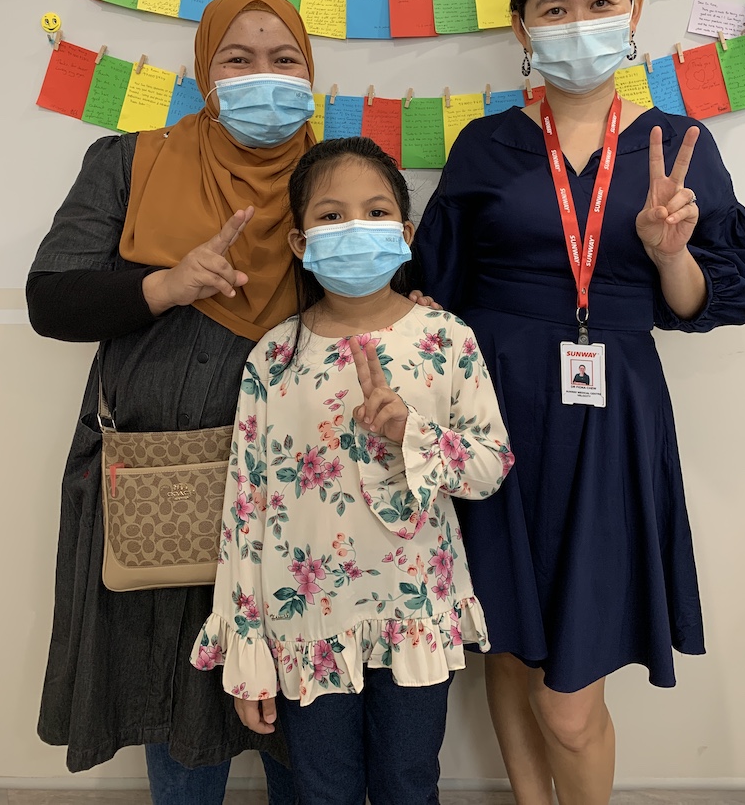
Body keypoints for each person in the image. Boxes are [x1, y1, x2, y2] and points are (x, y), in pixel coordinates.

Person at [413, 0, 745, 805]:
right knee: (507, 637)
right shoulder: (485, 147)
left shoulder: (674, 146)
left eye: (601, 3)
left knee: (569, 697)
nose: (580, 22)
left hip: (610, 425)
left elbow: (704, 302)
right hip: (491, 417)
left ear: (635, 11)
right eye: (555, 8)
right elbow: (434, 291)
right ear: (522, 28)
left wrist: (668, 251)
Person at [26, 0, 334, 804]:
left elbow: (382, 297)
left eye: (284, 59)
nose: (262, 76)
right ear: (206, 70)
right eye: (239, 58)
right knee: (179, 692)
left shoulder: (336, 177)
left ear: (311, 74)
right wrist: (165, 284)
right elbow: (49, 300)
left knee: (303, 703)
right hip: (160, 479)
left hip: (298, 489)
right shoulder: (130, 161)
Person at [190, 137, 515, 805]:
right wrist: (246, 647)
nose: (354, 228)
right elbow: (244, 512)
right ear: (301, 242)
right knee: (323, 789)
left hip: (415, 612)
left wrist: (411, 432)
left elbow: (490, 466)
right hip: (307, 620)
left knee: (407, 783)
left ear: (405, 233)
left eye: (374, 212)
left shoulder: (445, 338)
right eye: (332, 216)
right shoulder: (274, 358)